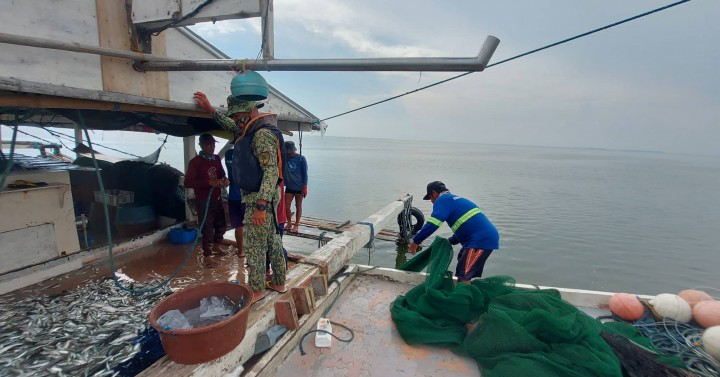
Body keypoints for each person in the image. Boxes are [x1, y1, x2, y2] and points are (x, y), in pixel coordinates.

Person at [194, 92, 287, 303]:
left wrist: (261, 206)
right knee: (273, 241)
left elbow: (271, 172)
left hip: (259, 199)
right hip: (266, 198)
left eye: (237, 116)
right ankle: (279, 282)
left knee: (254, 247)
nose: (235, 120)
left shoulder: (261, 135)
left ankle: (256, 290)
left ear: (247, 112)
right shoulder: (250, 129)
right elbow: (231, 126)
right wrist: (211, 111)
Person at [408, 181, 499, 284]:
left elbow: (433, 223)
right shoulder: (455, 200)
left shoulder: (442, 200)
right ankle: (463, 291)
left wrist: (416, 241)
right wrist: (450, 241)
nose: (432, 201)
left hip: (480, 241)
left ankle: (462, 298)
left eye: (430, 198)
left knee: (464, 274)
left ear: (434, 193)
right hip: (483, 238)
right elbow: (467, 225)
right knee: (462, 265)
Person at [184, 133, 230, 266]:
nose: (212, 147)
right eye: (209, 144)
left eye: (214, 144)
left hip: (217, 197)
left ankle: (216, 245)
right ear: (201, 145)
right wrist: (209, 182)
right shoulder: (195, 162)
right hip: (203, 199)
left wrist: (225, 180)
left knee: (222, 223)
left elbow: (222, 174)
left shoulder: (216, 158)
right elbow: (188, 183)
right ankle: (208, 255)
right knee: (207, 226)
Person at [224, 144, 246, 258]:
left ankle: (242, 250)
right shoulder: (230, 154)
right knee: (240, 225)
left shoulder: (229, 154)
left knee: (241, 225)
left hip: (241, 196)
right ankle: (241, 250)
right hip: (238, 196)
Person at [283, 141, 308, 233]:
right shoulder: (285, 158)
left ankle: (296, 224)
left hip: (299, 187)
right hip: (289, 186)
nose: (289, 153)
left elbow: (305, 174)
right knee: (286, 206)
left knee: (298, 206)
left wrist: (305, 186)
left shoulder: (301, 159)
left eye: (290, 151)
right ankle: (289, 223)